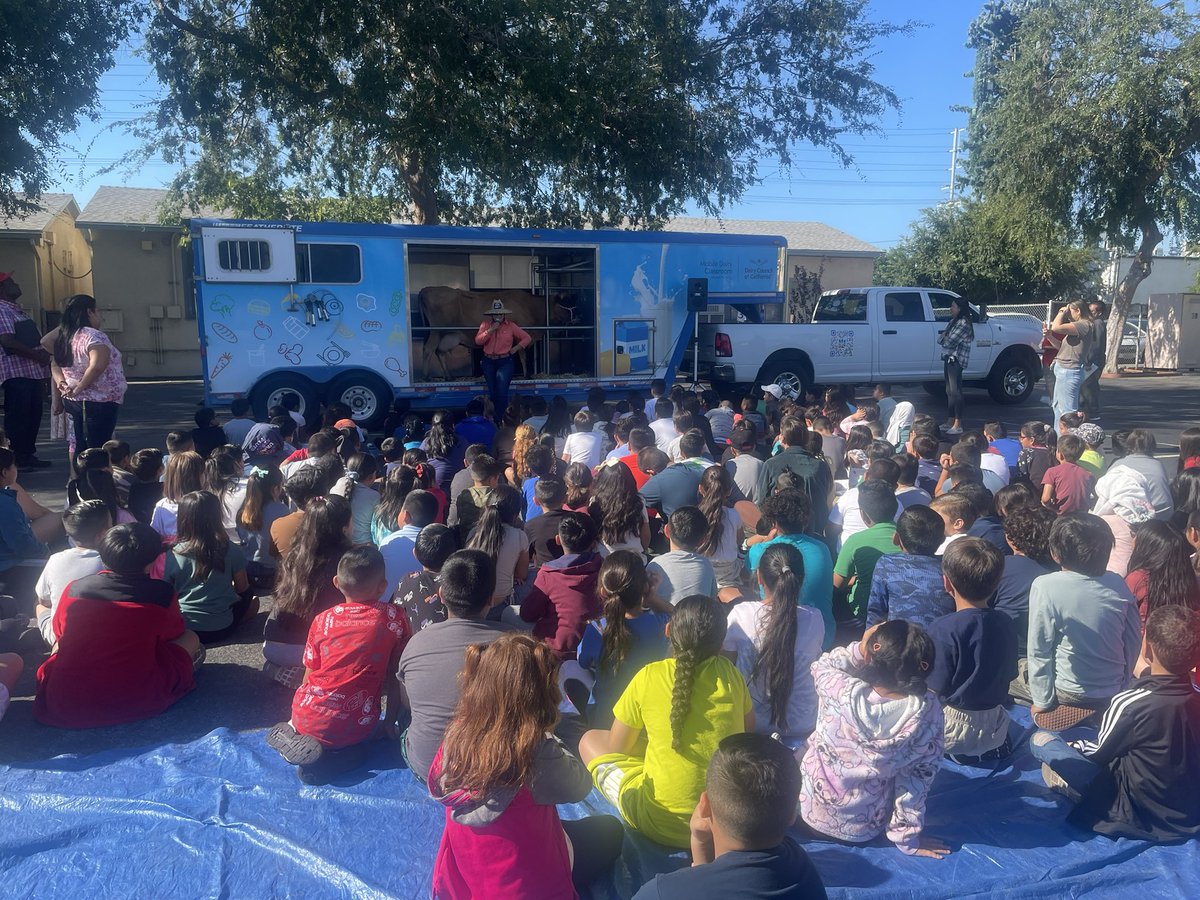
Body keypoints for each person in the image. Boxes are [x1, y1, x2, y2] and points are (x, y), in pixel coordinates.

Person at [429, 632, 624, 898]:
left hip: (467, 873)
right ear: (539, 695)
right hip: (524, 884)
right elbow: (580, 786)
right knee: (611, 831)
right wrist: (548, 734)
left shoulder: (456, 735)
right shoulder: (535, 750)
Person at [579, 594, 753, 849]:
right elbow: (746, 734)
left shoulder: (649, 676)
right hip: (721, 826)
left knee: (589, 739)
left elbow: (618, 748)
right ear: (720, 642)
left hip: (658, 820)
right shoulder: (731, 675)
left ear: (668, 630)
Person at [1031, 604, 1200, 840]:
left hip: (1137, 809)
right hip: (1188, 810)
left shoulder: (1131, 703)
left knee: (1041, 741)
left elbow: (1098, 753)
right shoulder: (1196, 695)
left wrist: (1074, 747)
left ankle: (1064, 783)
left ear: (1148, 649)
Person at [797, 620, 949, 858]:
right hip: (864, 828)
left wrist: (859, 648)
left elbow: (822, 664)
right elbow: (918, 779)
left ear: (870, 657)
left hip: (807, 813)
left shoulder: (838, 687)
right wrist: (907, 838)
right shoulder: (928, 713)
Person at [34, 522, 200, 728]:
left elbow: (60, 634)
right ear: (153, 560)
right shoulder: (162, 594)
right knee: (191, 638)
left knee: (60, 646)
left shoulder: (74, 588)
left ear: (102, 554)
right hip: (135, 699)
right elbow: (173, 633)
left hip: (65, 700)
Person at [267, 546, 411, 784]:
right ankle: (329, 762)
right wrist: (389, 722)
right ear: (382, 586)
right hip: (356, 724)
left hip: (306, 711)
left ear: (336, 582)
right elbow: (398, 674)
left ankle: (297, 729)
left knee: (315, 709)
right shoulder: (394, 618)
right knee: (359, 750)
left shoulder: (322, 620)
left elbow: (309, 674)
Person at [633, 733, 827, 900]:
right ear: (793, 813)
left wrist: (699, 847)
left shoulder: (662, 893)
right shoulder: (803, 870)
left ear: (704, 806)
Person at [396, 550, 512, 783]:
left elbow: (407, 703)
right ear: (491, 599)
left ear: (440, 594)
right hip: (492, 773)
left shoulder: (416, 642)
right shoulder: (515, 645)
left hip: (429, 769)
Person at [1025, 514, 1142, 730]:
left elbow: (1039, 648)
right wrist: (1123, 683)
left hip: (1069, 692)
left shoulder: (1045, 585)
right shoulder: (1117, 583)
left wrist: (1041, 702)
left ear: (1055, 553)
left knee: (1019, 670)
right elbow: (1134, 639)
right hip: (1112, 687)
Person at [926, 538, 1016, 761]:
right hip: (995, 724)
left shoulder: (943, 628)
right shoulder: (1006, 622)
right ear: (997, 584)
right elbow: (1010, 674)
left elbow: (932, 691)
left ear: (946, 583)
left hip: (952, 727)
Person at [724, 543, 823, 743]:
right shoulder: (815, 619)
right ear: (800, 579)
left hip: (750, 726)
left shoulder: (741, 614)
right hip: (802, 726)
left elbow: (725, 667)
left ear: (759, 577)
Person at [262, 495, 352, 685]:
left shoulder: (295, 553)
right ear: (344, 527)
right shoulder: (347, 561)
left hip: (271, 645)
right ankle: (310, 677)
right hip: (311, 650)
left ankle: (288, 670)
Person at [577, 551, 670, 728]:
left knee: (570, 669)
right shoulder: (661, 625)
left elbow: (583, 662)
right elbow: (681, 617)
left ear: (603, 591)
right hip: (645, 720)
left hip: (604, 720)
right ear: (645, 587)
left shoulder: (597, 629)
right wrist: (652, 598)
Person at [746, 489, 835, 649]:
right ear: (805, 520)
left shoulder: (758, 551)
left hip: (771, 637)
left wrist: (765, 541)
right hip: (822, 637)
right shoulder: (822, 549)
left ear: (773, 523)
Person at [164, 491, 255, 644]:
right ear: (216, 516)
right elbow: (242, 588)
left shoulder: (173, 553)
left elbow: (168, 592)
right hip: (221, 628)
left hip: (185, 627)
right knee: (252, 598)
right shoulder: (231, 549)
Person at [45, 293, 127, 450]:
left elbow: (55, 362)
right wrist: (80, 387)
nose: (100, 316)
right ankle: (94, 473)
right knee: (98, 444)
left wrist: (62, 384)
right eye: (98, 311)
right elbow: (97, 366)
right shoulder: (94, 336)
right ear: (89, 312)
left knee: (80, 442)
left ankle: (78, 473)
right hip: (98, 399)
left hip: (73, 398)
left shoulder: (66, 337)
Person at [520, 514, 603, 658]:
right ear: (594, 543)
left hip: (556, 651)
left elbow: (527, 614)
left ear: (558, 540)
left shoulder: (549, 573)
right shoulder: (605, 568)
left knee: (509, 613)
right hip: (597, 646)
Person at [993, 505, 1055, 698]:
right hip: (1047, 656)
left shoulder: (998, 567)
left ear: (1010, 539)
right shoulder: (1061, 571)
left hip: (1008, 657)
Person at [34, 500, 110, 647]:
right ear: (101, 535)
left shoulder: (55, 559)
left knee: (38, 604)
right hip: (100, 634)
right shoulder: (109, 562)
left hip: (61, 634)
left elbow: (44, 601)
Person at [865, 505, 954, 629]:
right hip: (943, 642)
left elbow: (876, 612)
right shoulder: (951, 566)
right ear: (942, 540)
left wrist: (868, 642)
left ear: (896, 538)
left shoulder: (886, 564)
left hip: (900, 644)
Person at [0, 272, 52, 468]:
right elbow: (8, 341)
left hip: (32, 373)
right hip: (17, 373)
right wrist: (37, 355)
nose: (17, 284)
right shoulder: (2, 310)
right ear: (2, 289)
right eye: (11, 282)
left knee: (32, 415)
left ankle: (27, 454)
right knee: (19, 417)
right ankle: (15, 459)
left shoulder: (16, 310)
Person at [832, 481, 901, 627]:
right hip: (900, 609)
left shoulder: (855, 541)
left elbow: (837, 583)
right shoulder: (907, 536)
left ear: (863, 514)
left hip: (865, 613)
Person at [755, 417, 832, 534]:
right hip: (813, 531)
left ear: (783, 439)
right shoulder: (820, 466)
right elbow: (826, 495)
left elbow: (761, 501)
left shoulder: (771, 464)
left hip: (779, 530)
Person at [1123, 519, 1200, 627]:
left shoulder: (1138, 578)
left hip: (1144, 640)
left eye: (1136, 535)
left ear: (1146, 546)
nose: (1133, 540)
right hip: (1182, 638)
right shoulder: (1190, 577)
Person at [0, 447, 51, 607]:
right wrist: (45, 552)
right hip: (10, 569)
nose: (16, 469)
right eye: (13, 466)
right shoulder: (5, 503)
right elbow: (20, 544)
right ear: (4, 472)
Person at [467, 483, 530, 607]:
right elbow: (522, 574)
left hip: (473, 601)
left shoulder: (474, 533)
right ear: (516, 514)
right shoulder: (519, 536)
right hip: (502, 601)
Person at [647, 506, 717, 610]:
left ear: (666, 531)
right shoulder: (706, 564)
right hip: (696, 622)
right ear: (703, 540)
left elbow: (646, 602)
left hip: (662, 624)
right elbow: (712, 599)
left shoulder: (655, 564)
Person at [394, 524, 458, 633]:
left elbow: (397, 615)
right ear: (454, 554)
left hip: (415, 646)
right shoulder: (459, 581)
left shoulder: (407, 581)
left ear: (415, 554)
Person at [379, 489, 440, 600]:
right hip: (423, 608)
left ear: (406, 515)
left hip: (388, 606)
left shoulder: (388, 541)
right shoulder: (437, 545)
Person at [475, 300, 531, 421]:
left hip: (504, 361)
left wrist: (515, 348)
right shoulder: (485, 324)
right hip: (488, 361)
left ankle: (502, 420)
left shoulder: (510, 326)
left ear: (504, 314)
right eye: (496, 314)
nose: (498, 316)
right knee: (493, 392)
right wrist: (490, 330)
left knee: (501, 392)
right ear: (492, 315)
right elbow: (478, 341)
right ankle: (494, 419)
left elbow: (527, 337)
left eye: (500, 314)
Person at [1045, 299, 1097, 425]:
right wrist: (1049, 336)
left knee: (1067, 412)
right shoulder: (1077, 328)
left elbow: (1056, 327)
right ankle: (1060, 441)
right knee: (1057, 408)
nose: (1067, 315)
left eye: (1070, 312)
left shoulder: (1084, 325)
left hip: (1069, 371)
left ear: (1078, 311)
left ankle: (1069, 443)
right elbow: (1061, 347)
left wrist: (1061, 311)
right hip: (1063, 368)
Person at [695, 464, 744, 596]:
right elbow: (739, 541)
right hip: (729, 575)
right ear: (728, 491)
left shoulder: (694, 515)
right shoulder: (734, 515)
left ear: (701, 489)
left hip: (700, 572)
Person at [1108, 428, 1174, 521]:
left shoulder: (1118, 464)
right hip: (1162, 514)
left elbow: (1105, 490)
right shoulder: (1158, 464)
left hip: (1131, 516)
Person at [238, 465, 287, 588]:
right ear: (275, 488)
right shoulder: (281, 510)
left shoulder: (242, 511)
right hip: (271, 571)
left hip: (247, 567)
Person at [937, 297, 974, 436]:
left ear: (960, 308)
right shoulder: (953, 321)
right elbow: (940, 339)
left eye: (953, 306)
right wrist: (944, 337)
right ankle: (949, 420)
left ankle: (958, 423)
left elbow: (949, 342)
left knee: (956, 391)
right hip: (948, 358)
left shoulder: (963, 323)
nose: (950, 308)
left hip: (957, 359)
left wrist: (945, 336)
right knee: (949, 390)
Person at [151, 450, 205, 541]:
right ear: (196, 477)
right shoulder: (205, 503)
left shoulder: (161, 506)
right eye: (203, 472)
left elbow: (154, 534)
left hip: (171, 553)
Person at [329, 452, 381, 545]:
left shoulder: (338, 485)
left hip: (339, 543)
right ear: (372, 476)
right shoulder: (374, 496)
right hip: (364, 545)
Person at [1041, 433, 1095, 516]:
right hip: (1082, 515)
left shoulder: (1052, 472)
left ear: (1060, 454)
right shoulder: (1088, 473)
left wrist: (1051, 507)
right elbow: (1094, 495)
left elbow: (1045, 498)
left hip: (1061, 515)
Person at [1077, 298, 1107, 420]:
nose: (1089, 313)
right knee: (1084, 387)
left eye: (1092, 311)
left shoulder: (1098, 323)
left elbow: (1096, 344)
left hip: (1092, 362)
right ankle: (1084, 411)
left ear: (1098, 312)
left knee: (1089, 387)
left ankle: (1093, 412)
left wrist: (1090, 361)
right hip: (1090, 361)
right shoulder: (1093, 323)